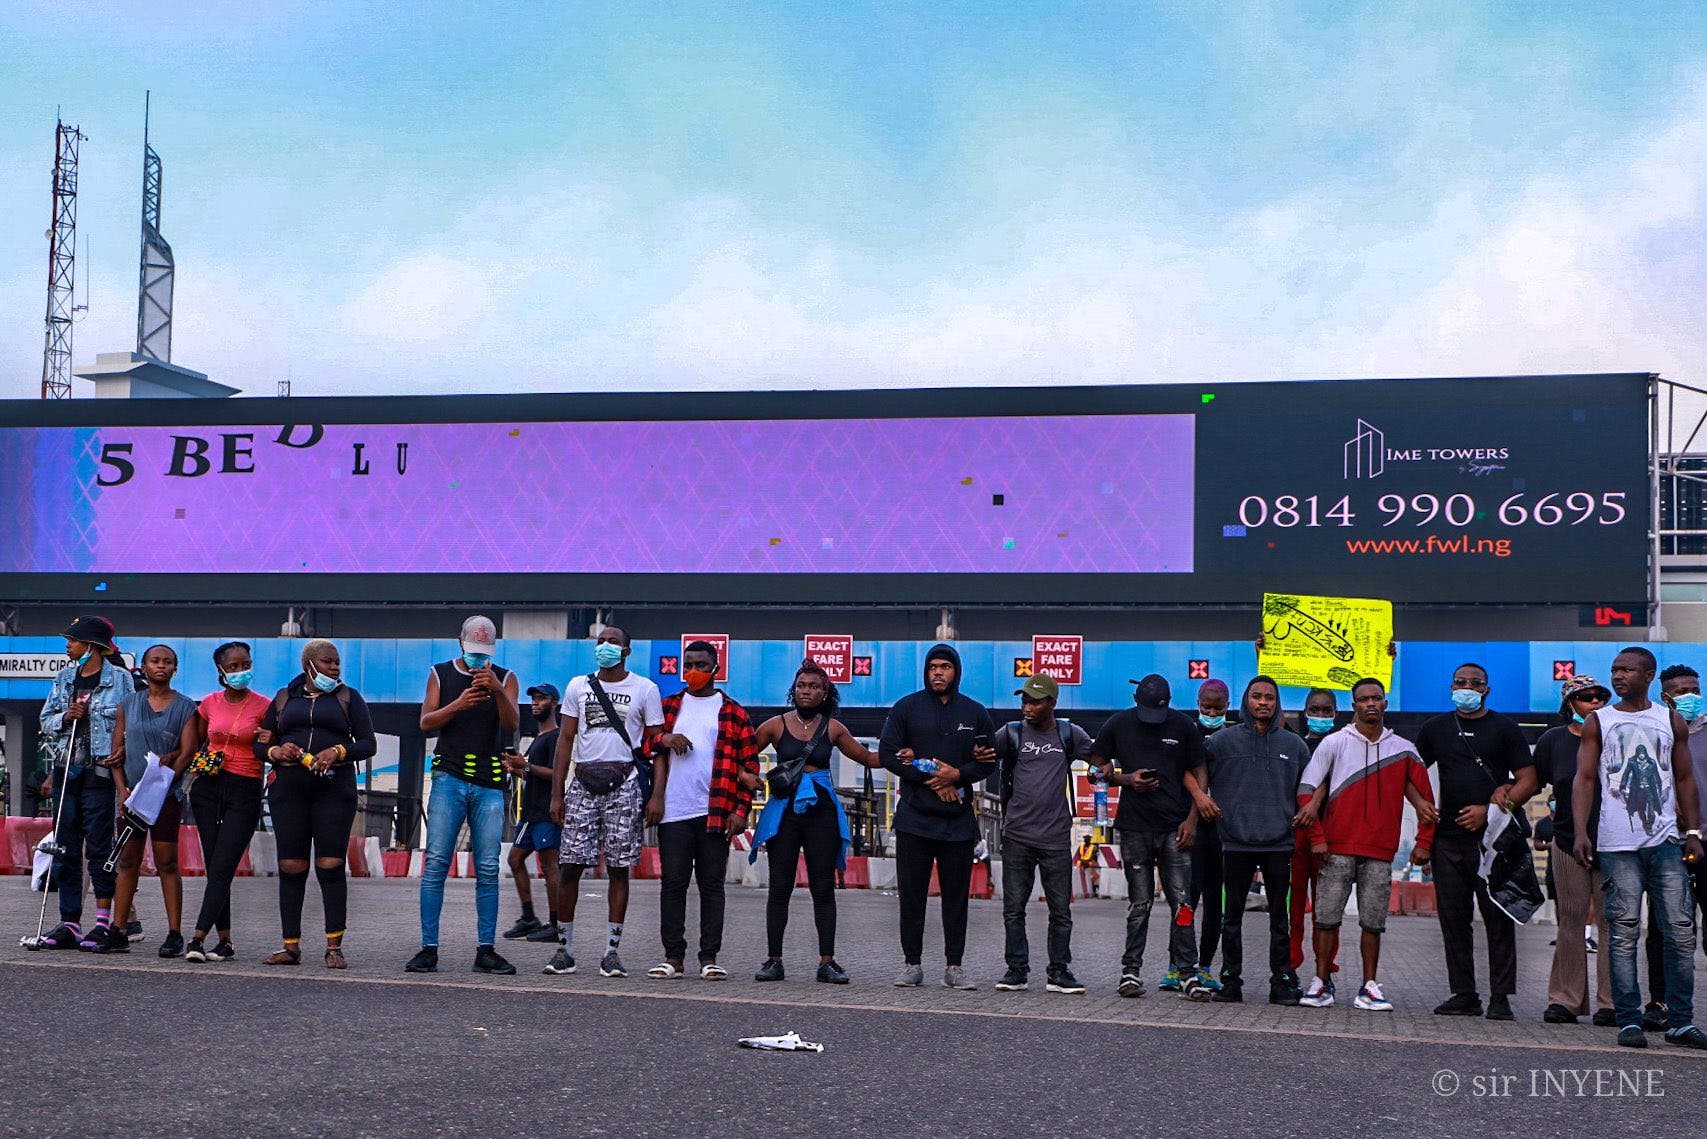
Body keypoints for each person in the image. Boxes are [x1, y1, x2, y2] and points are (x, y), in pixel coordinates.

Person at [1573, 646, 1707, 1049]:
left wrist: (1694, 832)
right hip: (1617, 844)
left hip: (1666, 841)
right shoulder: (1600, 720)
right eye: (1615, 669)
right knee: (1623, 932)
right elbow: (1584, 779)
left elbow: (1684, 779)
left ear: (1648, 675)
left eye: (1627, 670)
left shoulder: (1669, 720)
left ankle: (1680, 1021)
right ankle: (1629, 1020)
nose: (1618, 676)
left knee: (1680, 931)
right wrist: (1583, 831)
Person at [1296, 678, 1437, 1011]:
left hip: (1380, 852)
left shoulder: (1404, 749)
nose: (1371, 703)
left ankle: (1368, 986)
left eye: (1377, 698)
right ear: (1354, 705)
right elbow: (1306, 790)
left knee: (1373, 924)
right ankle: (1320, 983)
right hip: (1335, 849)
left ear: (1385, 703)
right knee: (1326, 920)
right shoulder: (1333, 743)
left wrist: (1424, 842)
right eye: (1363, 699)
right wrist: (1317, 837)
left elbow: (1427, 803)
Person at [1415, 663, 1538, 1021]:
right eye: (1460, 682)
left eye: (1475, 683)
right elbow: (1409, 769)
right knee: (1453, 920)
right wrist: (1421, 805)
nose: (1466, 687)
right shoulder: (1435, 729)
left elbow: (1529, 778)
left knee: (1498, 916)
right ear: (1450, 686)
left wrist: (1492, 809)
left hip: (1493, 840)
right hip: (1447, 840)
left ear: (1487, 689)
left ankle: (1500, 997)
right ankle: (1464, 993)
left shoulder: (1505, 728)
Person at [545, 627, 664, 979]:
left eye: (613, 642)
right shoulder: (577, 686)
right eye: (601, 642)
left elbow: (656, 747)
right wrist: (558, 793)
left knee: (618, 868)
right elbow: (565, 740)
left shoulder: (645, 689)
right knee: (570, 865)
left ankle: (612, 952)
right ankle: (564, 949)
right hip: (582, 785)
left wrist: (656, 795)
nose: (606, 647)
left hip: (624, 785)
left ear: (627, 650)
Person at [878, 643, 997, 991]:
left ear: (956, 671)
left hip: (957, 823)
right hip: (914, 819)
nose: (937, 673)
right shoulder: (906, 708)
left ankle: (954, 966)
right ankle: (911, 964)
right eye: (932, 667)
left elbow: (988, 761)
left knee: (956, 897)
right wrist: (932, 779)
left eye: (945, 666)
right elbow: (888, 754)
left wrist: (957, 775)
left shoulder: (975, 713)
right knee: (912, 895)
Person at [408, 616, 520, 977]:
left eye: (483, 654)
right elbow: (426, 723)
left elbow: (513, 723)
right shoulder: (440, 673)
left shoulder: (506, 677)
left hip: (489, 782)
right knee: (437, 861)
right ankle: (429, 948)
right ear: (460, 643)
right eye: (472, 653)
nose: (477, 660)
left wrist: (497, 690)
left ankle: (485, 949)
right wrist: (459, 703)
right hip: (449, 778)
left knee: (488, 867)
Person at [752, 660, 875, 984]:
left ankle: (827, 962)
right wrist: (743, 775)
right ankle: (773, 961)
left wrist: (902, 754)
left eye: (814, 687)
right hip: (784, 811)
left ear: (825, 693)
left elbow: (867, 758)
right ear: (794, 690)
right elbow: (742, 753)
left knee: (823, 888)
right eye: (802, 686)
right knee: (780, 886)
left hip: (821, 814)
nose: (807, 691)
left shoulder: (833, 728)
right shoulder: (775, 725)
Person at [1191, 676, 1311, 1005]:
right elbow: (1190, 770)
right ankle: (1230, 980)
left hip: (1279, 845)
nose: (1263, 702)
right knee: (1231, 919)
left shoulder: (1295, 746)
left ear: (1277, 703)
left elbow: (1310, 790)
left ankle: (1282, 980)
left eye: (1269, 697)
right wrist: (1201, 799)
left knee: (1280, 920)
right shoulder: (1220, 743)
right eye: (1256, 696)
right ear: (1246, 701)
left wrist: (1309, 810)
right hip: (1233, 845)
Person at [256, 640, 376, 969]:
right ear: (309, 664)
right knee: (291, 866)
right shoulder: (283, 698)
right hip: (288, 791)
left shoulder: (348, 698)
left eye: (337, 663)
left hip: (334, 791)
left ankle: (333, 947)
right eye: (327, 662)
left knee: (330, 865)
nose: (335, 668)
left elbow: (368, 743)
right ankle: (290, 947)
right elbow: (260, 742)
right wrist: (275, 753)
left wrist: (338, 751)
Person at [1089, 674, 1206, 1000]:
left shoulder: (1183, 726)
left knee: (1182, 903)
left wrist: (1192, 821)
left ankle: (1187, 974)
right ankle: (1130, 972)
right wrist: (1127, 780)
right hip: (1135, 827)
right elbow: (1095, 772)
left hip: (1175, 827)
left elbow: (1200, 773)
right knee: (1139, 903)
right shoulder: (1118, 724)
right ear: (1136, 702)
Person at [647, 640, 759, 981]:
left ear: (715, 668)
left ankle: (709, 957)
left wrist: (740, 811)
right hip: (674, 811)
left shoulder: (734, 713)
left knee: (712, 885)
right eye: (688, 665)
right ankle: (673, 958)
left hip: (715, 812)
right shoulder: (668, 708)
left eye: (700, 665)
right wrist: (664, 740)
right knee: (673, 884)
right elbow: (645, 744)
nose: (693, 671)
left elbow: (750, 768)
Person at [34, 616, 134, 950]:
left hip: (101, 774)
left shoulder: (120, 679)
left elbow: (128, 726)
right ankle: (70, 923)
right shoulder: (64, 678)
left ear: (91, 646)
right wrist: (65, 717)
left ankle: (103, 923)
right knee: (64, 848)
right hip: (67, 773)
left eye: (73, 641)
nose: (68, 646)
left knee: (99, 848)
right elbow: (46, 720)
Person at [993, 674, 1091, 995]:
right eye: (1024, 701)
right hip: (1017, 835)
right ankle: (1016, 971)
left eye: (1034, 701)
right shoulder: (1011, 733)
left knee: (1060, 912)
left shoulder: (1069, 734)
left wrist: (1105, 770)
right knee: (1014, 908)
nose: (1027, 707)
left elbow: (1100, 758)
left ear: (1052, 703)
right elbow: (979, 756)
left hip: (1056, 838)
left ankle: (1059, 972)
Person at [102, 644, 197, 956]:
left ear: (175, 668)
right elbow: (116, 754)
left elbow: (187, 752)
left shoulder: (185, 708)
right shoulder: (127, 704)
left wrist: (163, 782)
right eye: (155, 661)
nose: (161, 666)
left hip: (166, 796)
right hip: (132, 797)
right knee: (127, 861)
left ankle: (174, 933)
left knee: (167, 862)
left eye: (168, 662)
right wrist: (122, 791)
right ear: (143, 666)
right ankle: (118, 929)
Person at [183, 641, 272, 962]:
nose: (240, 671)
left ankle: (196, 938)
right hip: (208, 785)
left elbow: (270, 742)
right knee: (215, 867)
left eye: (245, 664)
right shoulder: (209, 703)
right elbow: (201, 739)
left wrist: (269, 739)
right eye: (233, 667)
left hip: (245, 785)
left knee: (223, 865)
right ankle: (225, 941)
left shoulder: (265, 706)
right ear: (221, 671)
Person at [1534, 675, 1613, 1024]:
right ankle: (1565, 1000)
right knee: (1571, 920)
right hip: (1568, 840)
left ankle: (1613, 1003)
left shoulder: (1618, 736)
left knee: (1614, 923)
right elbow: (1532, 781)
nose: (1593, 702)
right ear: (1570, 705)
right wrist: (1500, 800)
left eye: (1599, 697)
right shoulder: (1553, 740)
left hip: (1614, 841)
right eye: (1585, 697)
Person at [501, 684, 565, 945]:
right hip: (531, 813)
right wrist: (518, 770)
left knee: (550, 866)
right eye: (534, 699)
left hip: (546, 813)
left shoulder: (558, 737)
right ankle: (529, 917)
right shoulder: (539, 738)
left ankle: (556, 924)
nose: (536, 703)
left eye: (542, 699)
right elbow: (536, 775)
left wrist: (525, 765)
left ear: (555, 704)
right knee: (515, 860)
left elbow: (557, 775)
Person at [1289, 688, 1339, 975]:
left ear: (1336, 713)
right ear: (1305, 711)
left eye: (1326, 711)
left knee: (1327, 910)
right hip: (1296, 837)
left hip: (1331, 839)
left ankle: (1325, 970)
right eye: (1315, 710)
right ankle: (1291, 965)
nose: (1320, 715)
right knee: (1293, 908)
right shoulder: (1294, 746)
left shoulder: (1345, 745)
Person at [1186, 678, 1230, 992]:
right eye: (1206, 707)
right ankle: (1178, 964)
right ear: (1198, 704)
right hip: (1191, 827)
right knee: (1186, 898)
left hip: (1223, 831)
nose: (1212, 712)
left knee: (1215, 901)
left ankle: (1205, 966)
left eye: (1218, 707)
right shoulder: (1187, 733)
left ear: (1228, 706)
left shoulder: (1235, 737)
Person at [1661, 662, 1707, 963]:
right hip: (1668, 840)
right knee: (1669, 925)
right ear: (1666, 697)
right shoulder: (1655, 731)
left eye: (1695, 691)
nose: (1691, 696)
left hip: (1706, 836)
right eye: (1682, 692)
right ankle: (1662, 1000)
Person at [1074, 833, 1101, 899]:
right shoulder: (1081, 846)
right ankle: (1090, 890)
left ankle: (1093, 890)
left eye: (1087, 839)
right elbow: (1078, 855)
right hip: (1082, 864)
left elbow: (1095, 856)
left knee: (1094, 877)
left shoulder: (1093, 847)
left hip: (1090, 864)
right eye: (1085, 839)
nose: (1086, 840)